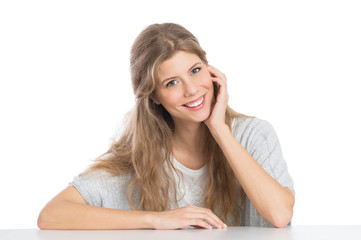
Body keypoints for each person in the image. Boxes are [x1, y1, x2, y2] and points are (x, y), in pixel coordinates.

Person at [37, 23, 295, 230]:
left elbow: (280, 214)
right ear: (154, 96)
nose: (192, 90)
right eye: (172, 82)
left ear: (211, 70)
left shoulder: (254, 135)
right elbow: (51, 215)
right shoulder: (139, 158)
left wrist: (219, 128)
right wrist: (156, 220)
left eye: (195, 70)